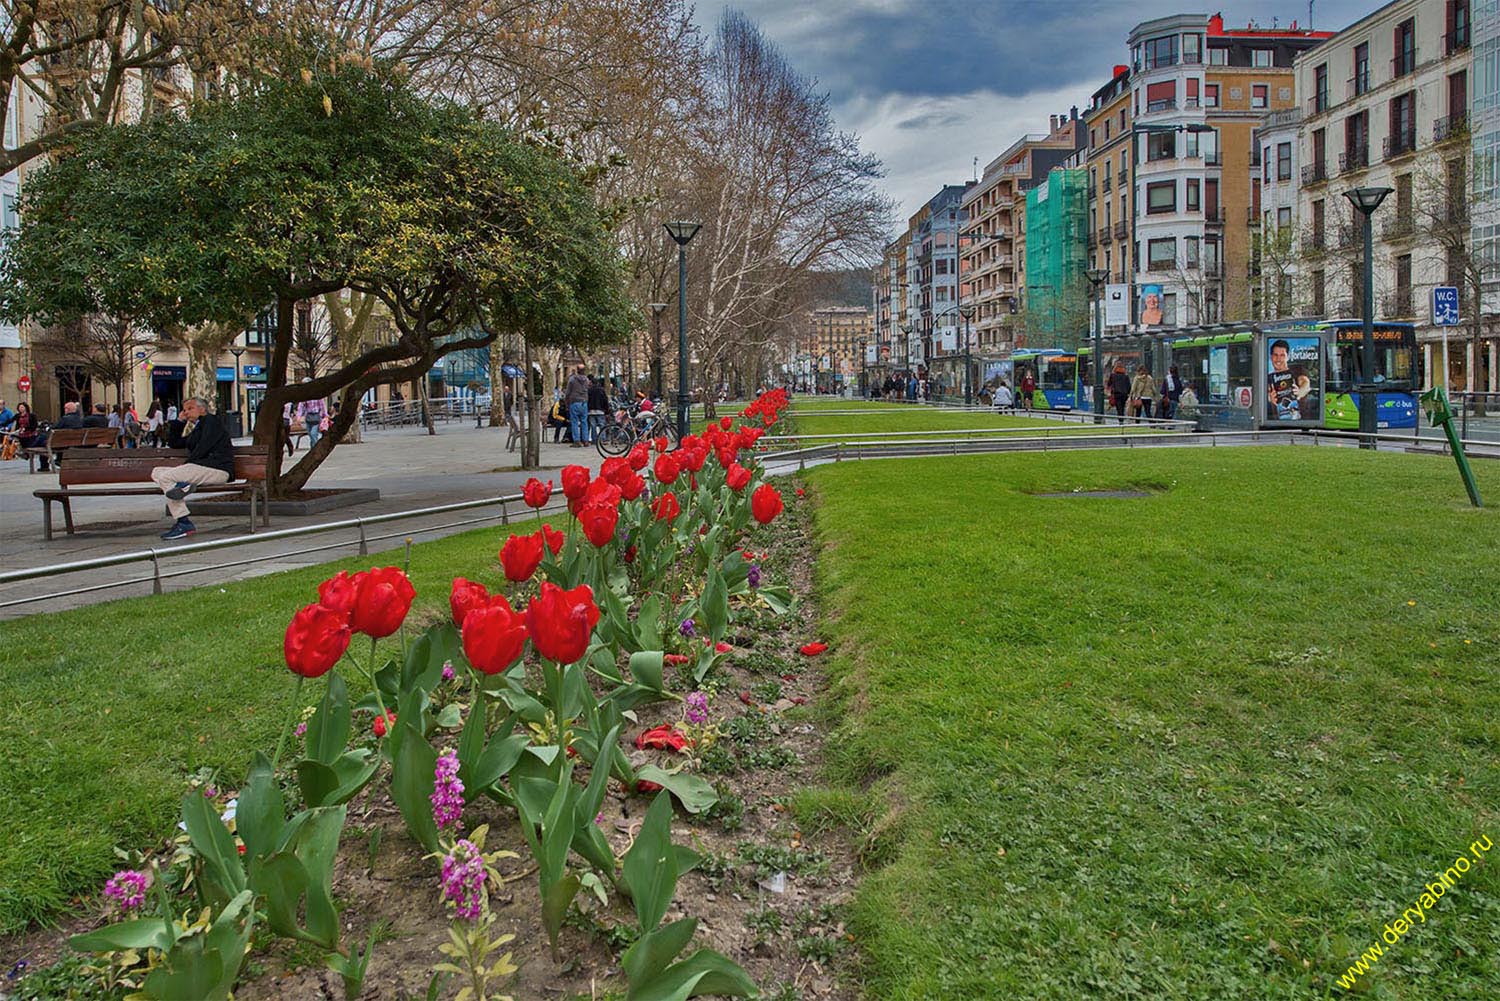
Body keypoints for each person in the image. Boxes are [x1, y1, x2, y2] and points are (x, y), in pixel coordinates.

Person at [152, 397, 235, 541]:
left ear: (202, 409)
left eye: (190, 409)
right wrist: (179, 422)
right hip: (202, 468)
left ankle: (183, 522)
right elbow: (175, 443)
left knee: (165, 478)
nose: (187, 412)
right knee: (157, 471)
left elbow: (204, 446)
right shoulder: (198, 427)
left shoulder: (211, 421)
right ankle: (182, 487)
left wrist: (187, 465)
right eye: (184, 410)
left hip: (217, 469)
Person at [564, 364, 590, 447]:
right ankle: (585, 440)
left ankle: (577, 441)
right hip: (584, 402)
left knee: (574, 422)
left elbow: (568, 392)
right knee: (584, 422)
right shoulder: (587, 380)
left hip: (574, 402)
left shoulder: (572, 379)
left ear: (577, 370)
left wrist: (566, 402)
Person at [587, 376, 609, 442]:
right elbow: (605, 400)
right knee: (602, 425)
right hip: (600, 410)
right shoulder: (601, 390)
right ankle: (603, 439)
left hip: (591, 410)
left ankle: (594, 439)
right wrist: (606, 410)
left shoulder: (589, 390)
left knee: (593, 426)